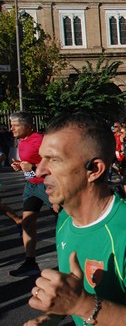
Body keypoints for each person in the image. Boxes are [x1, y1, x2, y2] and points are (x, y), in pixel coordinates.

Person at [27, 113, 126, 325]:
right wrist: (50, 317)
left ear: (95, 169)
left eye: (54, 159)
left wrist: (81, 305)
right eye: (41, 158)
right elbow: (73, 292)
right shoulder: (64, 218)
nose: (40, 170)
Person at [9, 112, 58, 277]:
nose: (11, 128)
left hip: (47, 185)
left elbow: (55, 162)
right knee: (27, 223)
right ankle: (30, 262)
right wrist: (19, 166)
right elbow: (28, 164)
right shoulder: (22, 141)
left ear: (28, 126)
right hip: (31, 186)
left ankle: (78, 255)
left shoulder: (40, 140)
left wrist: (34, 166)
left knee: (64, 220)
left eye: (15, 125)